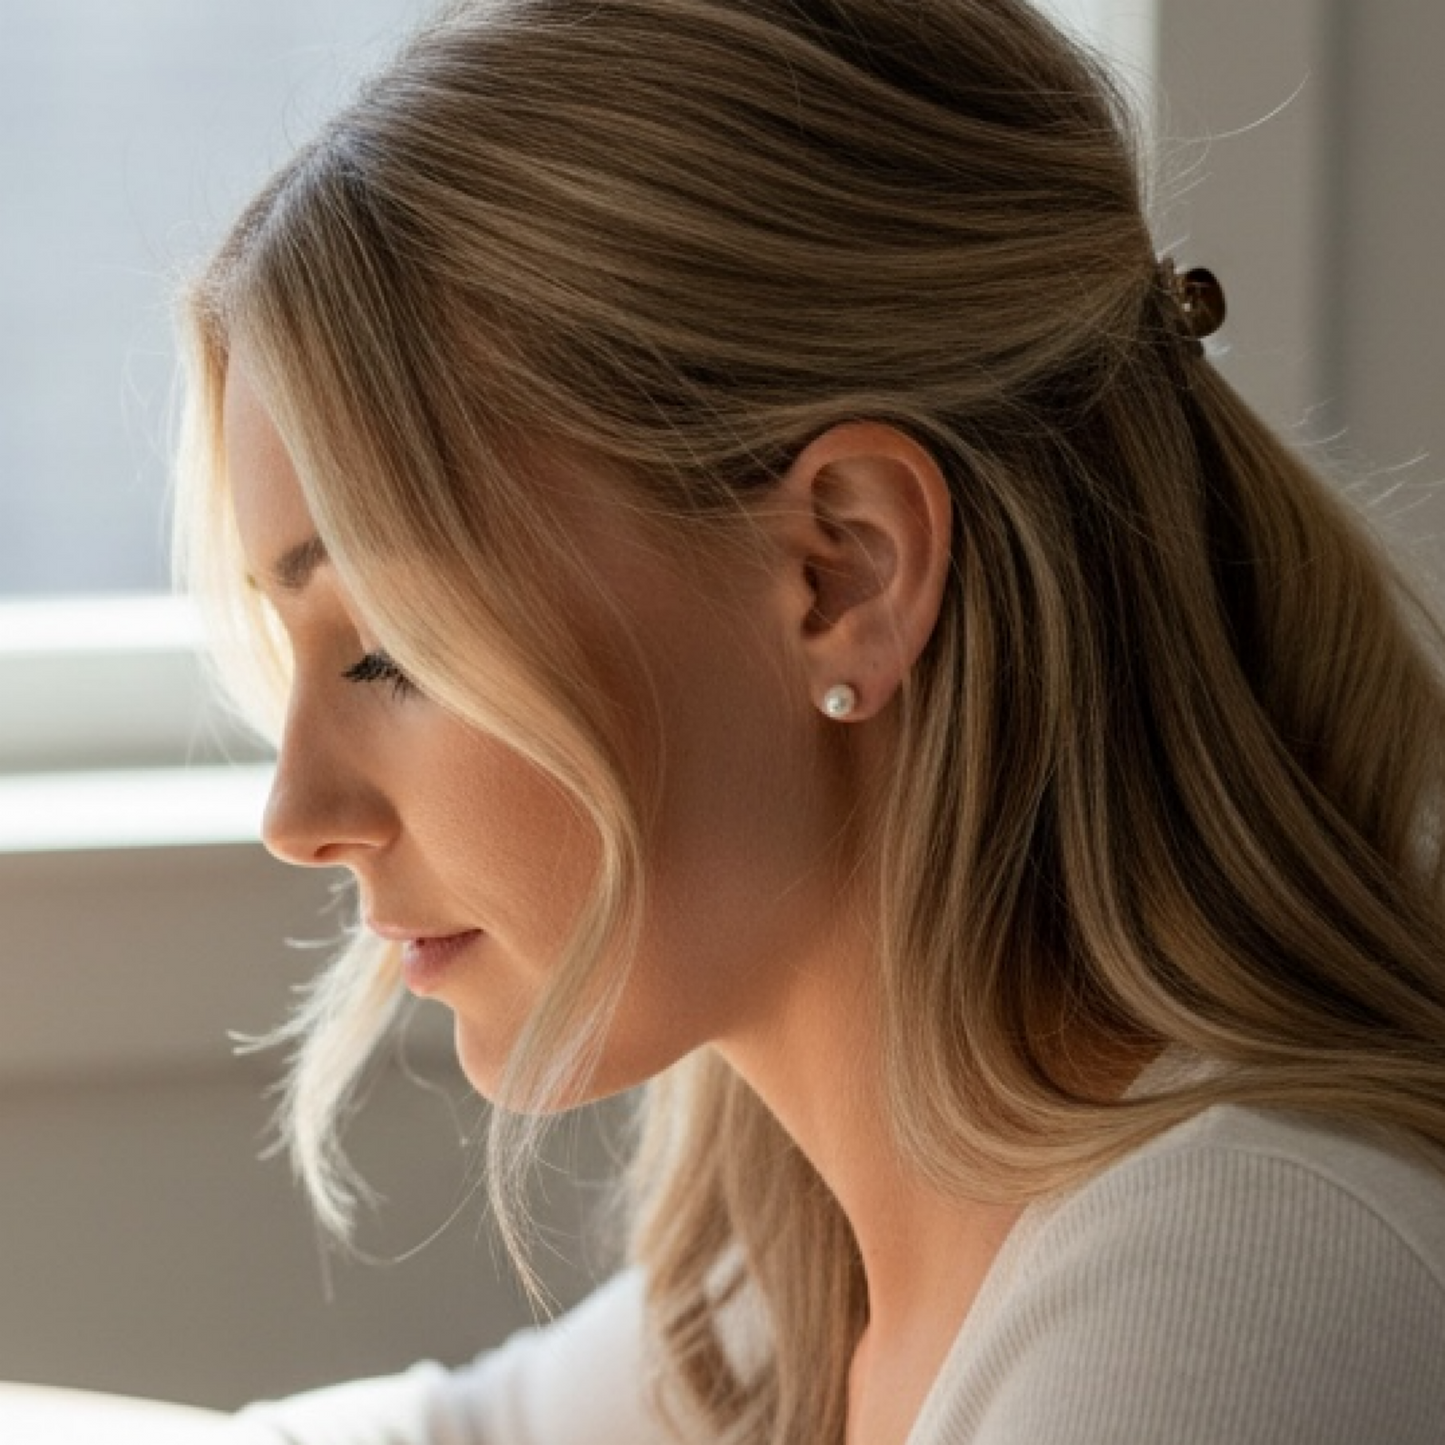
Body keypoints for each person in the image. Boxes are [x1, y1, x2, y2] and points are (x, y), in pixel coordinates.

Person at [177, 0, 1445, 1440]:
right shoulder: (816, 1257)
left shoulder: (1237, 1314)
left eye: (391, 650)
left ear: (845, 570)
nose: (298, 817)